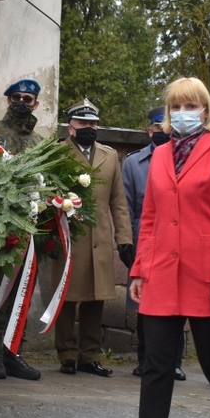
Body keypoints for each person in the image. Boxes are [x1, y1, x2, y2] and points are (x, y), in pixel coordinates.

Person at [110, 77, 210, 418]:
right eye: (175, 107)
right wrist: (139, 269)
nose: (183, 113)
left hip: (207, 276)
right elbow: (149, 217)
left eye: (191, 106)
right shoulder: (162, 155)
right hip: (161, 275)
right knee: (156, 363)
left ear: (206, 110)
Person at [53, 100, 133, 377]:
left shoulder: (109, 156)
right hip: (69, 236)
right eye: (83, 123)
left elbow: (118, 202)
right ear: (70, 127)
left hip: (99, 238)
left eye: (93, 124)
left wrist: (124, 239)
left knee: (95, 298)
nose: (89, 128)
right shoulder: (57, 154)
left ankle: (90, 355)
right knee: (66, 297)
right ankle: (66, 354)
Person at [0, 79, 44, 380]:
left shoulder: (40, 142)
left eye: (27, 99)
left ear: (36, 104)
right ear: (7, 101)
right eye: (15, 97)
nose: (21, 102)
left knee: (23, 290)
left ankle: (13, 352)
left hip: (31, 228)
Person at [122, 106, 184, 380]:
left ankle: (176, 361)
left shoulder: (182, 158)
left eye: (166, 128)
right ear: (149, 131)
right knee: (143, 304)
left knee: (176, 301)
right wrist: (126, 242)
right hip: (144, 242)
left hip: (175, 242)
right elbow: (126, 207)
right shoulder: (134, 163)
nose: (162, 132)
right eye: (157, 128)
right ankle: (144, 358)